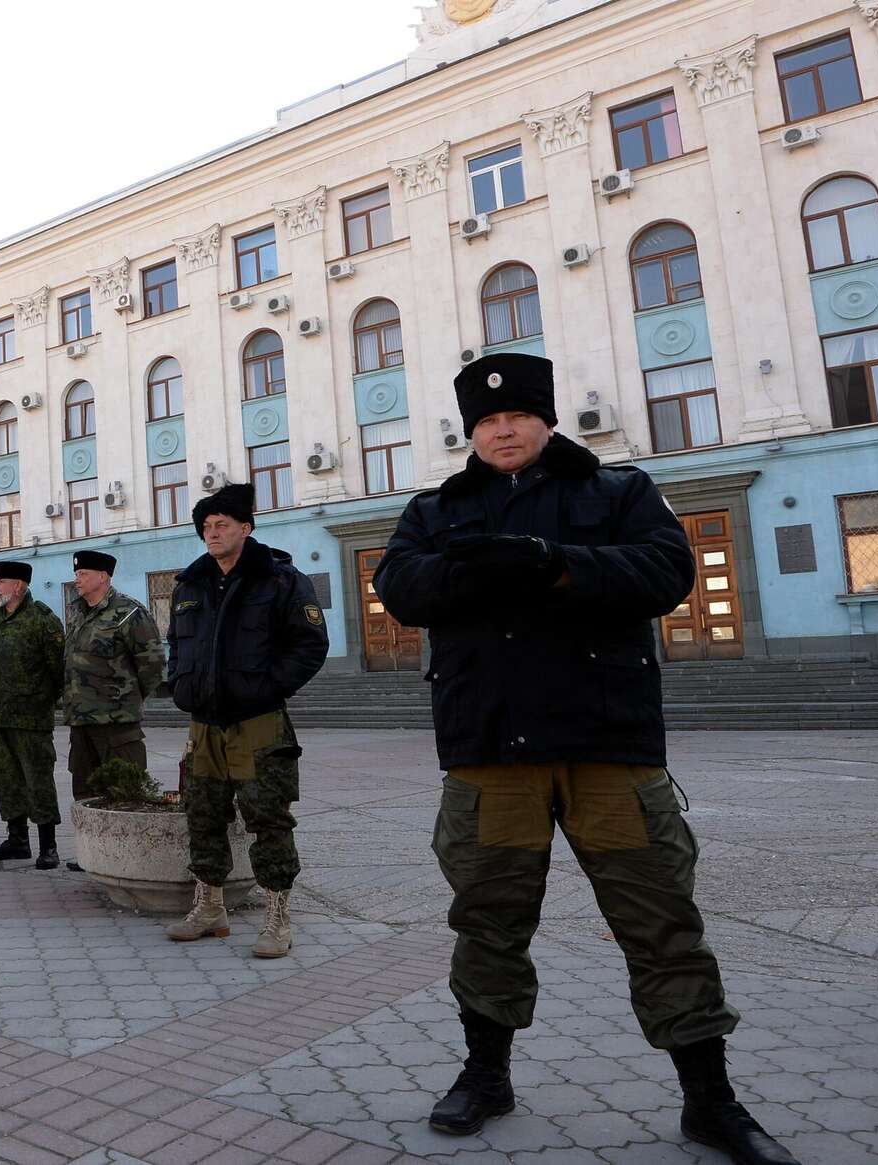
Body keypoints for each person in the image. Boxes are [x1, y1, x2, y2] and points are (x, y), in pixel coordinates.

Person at [372, 353, 793, 1164]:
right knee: (488, 923)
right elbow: (402, 585)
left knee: (662, 920)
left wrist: (557, 562)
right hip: (492, 749)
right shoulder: (437, 507)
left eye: (517, 416)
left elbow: (669, 569)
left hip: (607, 745)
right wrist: (476, 565)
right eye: (487, 421)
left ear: (547, 419)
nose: (503, 428)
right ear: (472, 432)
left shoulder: (618, 491)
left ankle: (711, 1101)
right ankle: (486, 1076)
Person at [163, 483, 328, 959]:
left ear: (245, 528)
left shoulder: (278, 579)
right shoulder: (189, 584)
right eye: (206, 527)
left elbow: (310, 644)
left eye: (222, 525)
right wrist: (180, 684)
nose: (212, 533)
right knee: (203, 815)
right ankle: (209, 908)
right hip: (204, 725)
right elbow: (177, 642)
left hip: (258, 723)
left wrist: (268, 688)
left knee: (268, 818)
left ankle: (278, 916)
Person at [0, 561, 66, 868]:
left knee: (38, 780)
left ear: (20, 586)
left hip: (30, 718)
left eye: (2, 581)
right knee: (6, 781)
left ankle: (48, 846)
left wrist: (41, 702)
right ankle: (17, 840)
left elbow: (58, 670)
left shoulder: (42, 620)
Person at [62, 549, 166, 800]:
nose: (77, 579)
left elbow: (152, 664)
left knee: (125, 797)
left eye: (83, 573)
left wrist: (125, 699)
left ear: (103, 577)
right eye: (76, 573)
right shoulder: (78, 615)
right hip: (81, 724)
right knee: (86, 798)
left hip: (116, 727)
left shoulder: (129, 612)